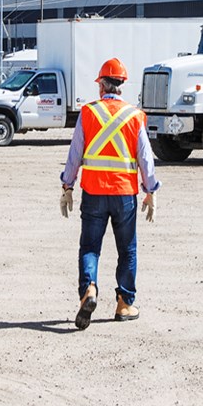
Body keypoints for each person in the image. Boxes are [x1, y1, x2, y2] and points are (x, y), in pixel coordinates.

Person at [59, 57, 159, 330]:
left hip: (92, 192)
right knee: (127, 250)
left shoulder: (88, 113)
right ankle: (124, 304)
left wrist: (67, 186)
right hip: (124, 195)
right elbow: (145, 159)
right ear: (122, 86)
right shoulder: (135, 116)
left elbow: (74, 154)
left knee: (90, 247)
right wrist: (150, 191)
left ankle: (89, 290)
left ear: (101, 86)